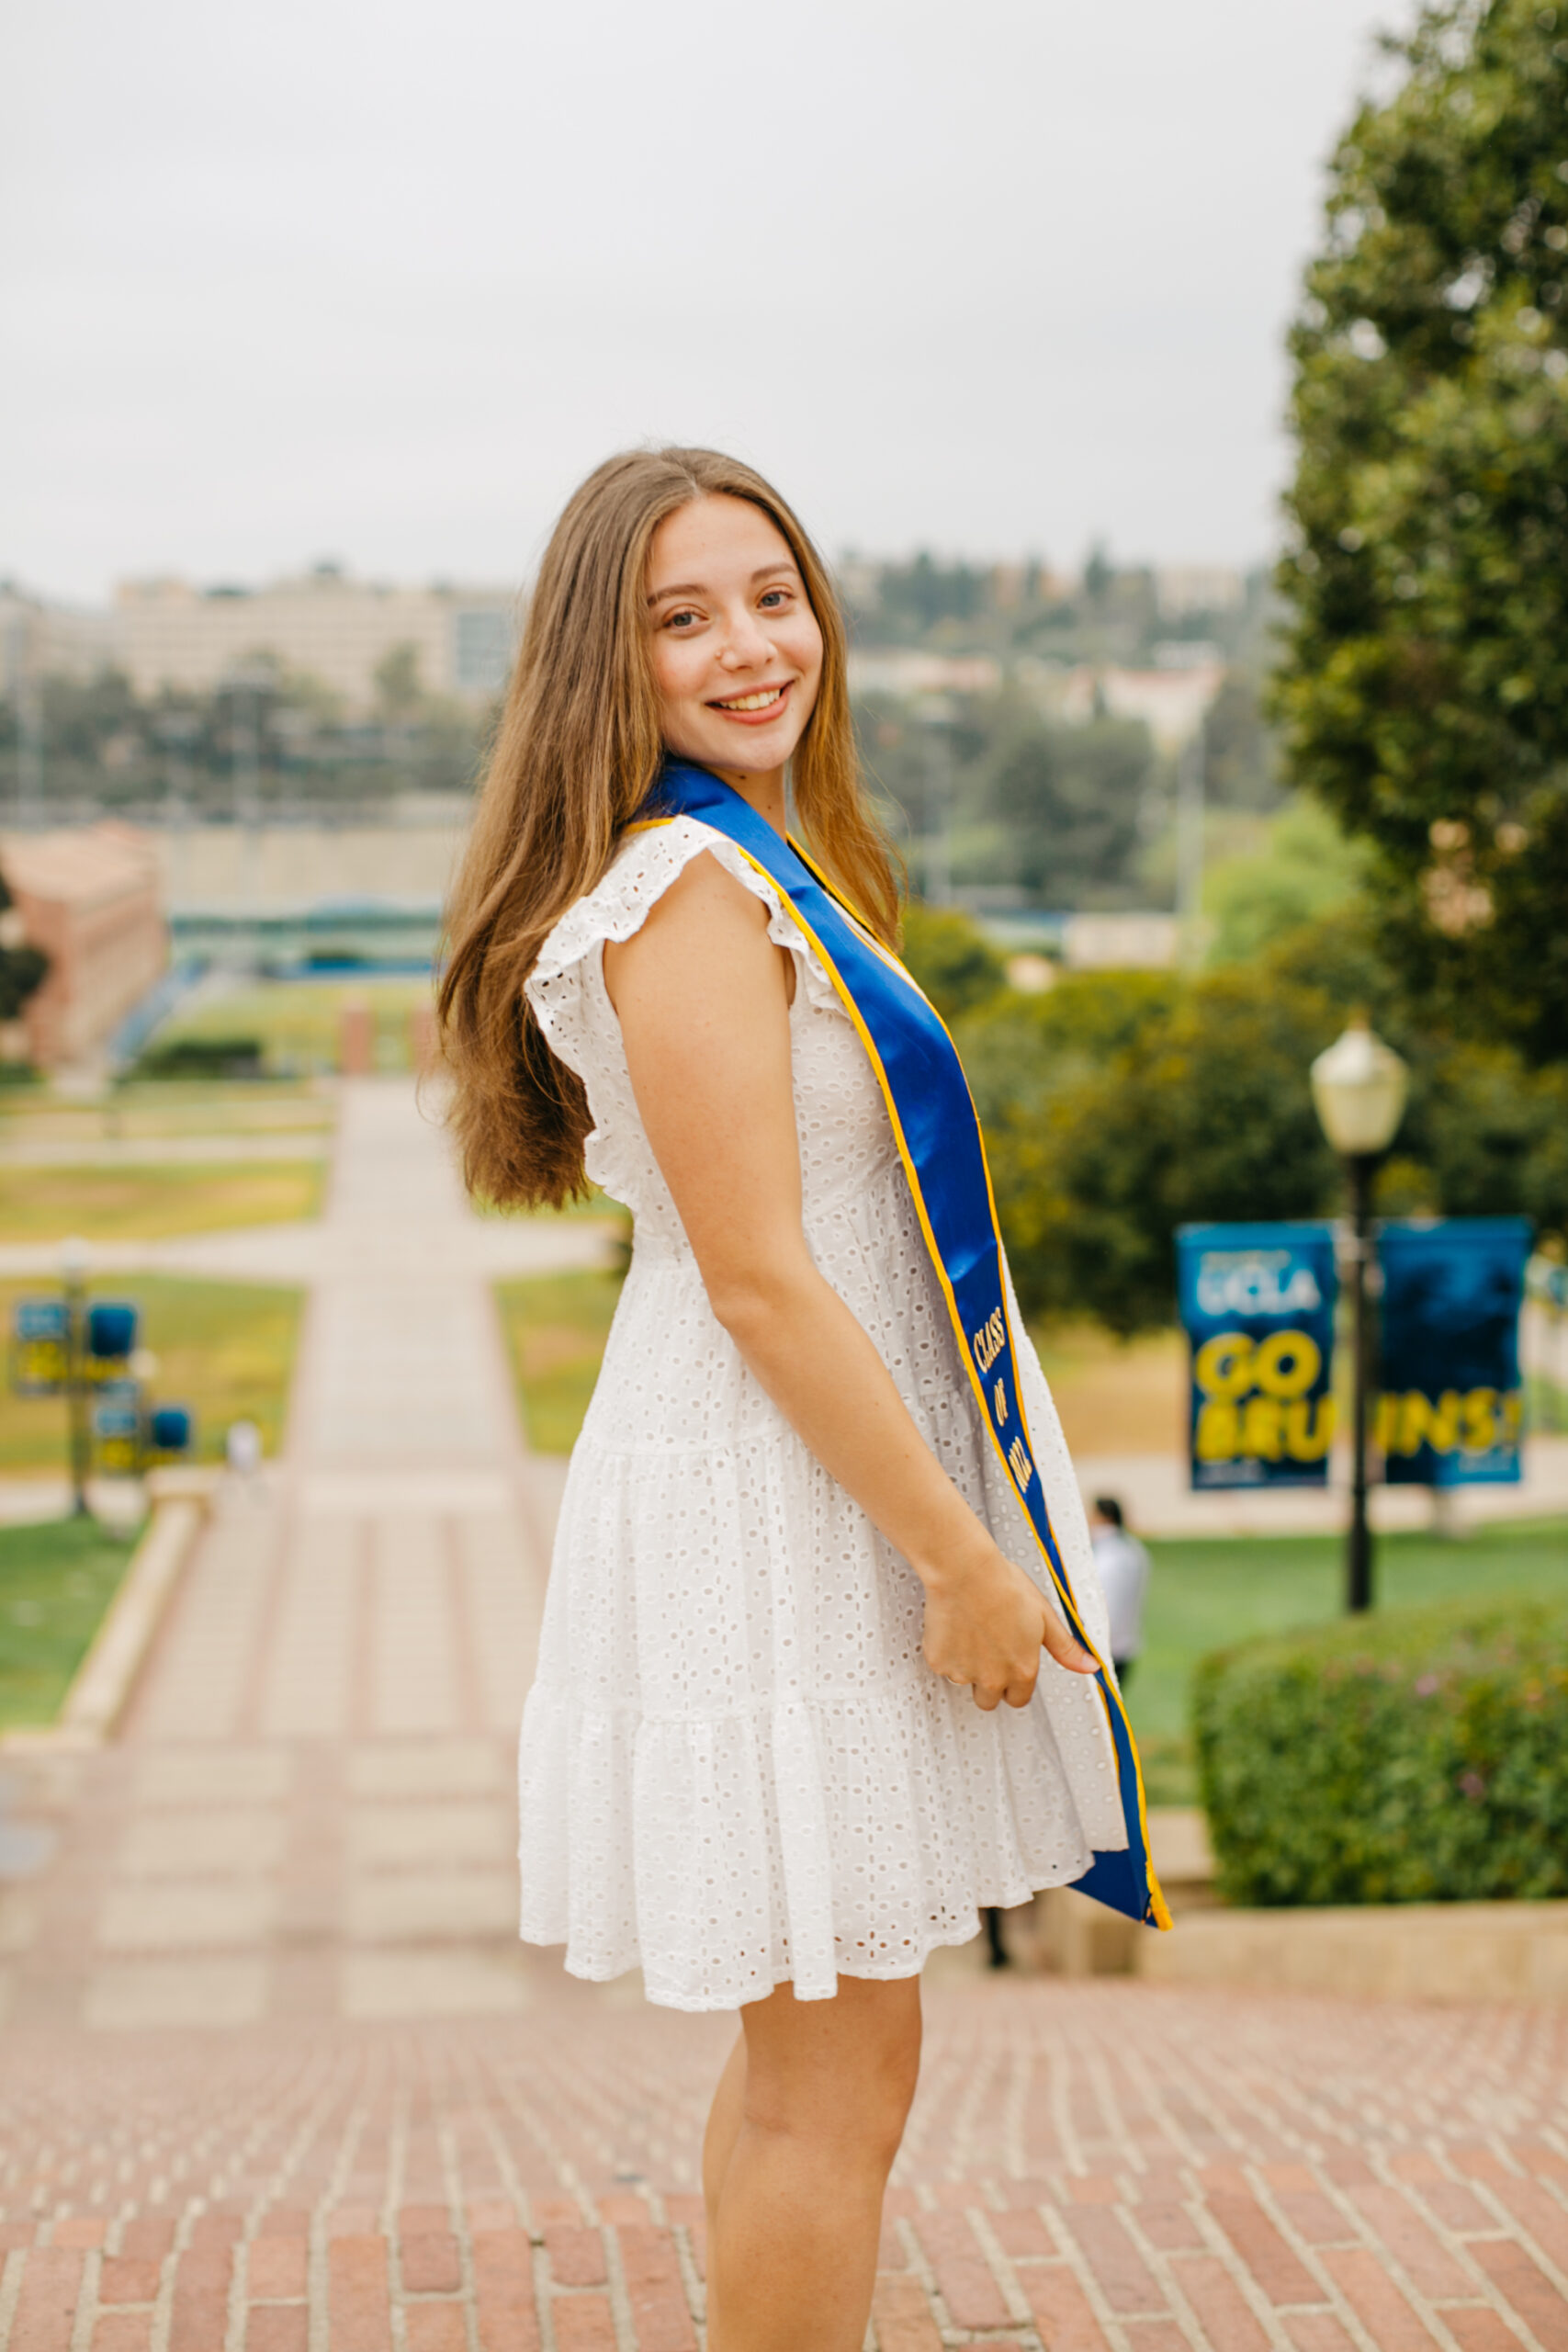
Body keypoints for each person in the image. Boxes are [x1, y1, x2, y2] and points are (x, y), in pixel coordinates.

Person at [439, 447, 1158, 2352]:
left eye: (772, 592)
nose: (750, 644)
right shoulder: (684, 885)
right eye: (683, 617)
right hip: (785, 1491)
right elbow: (759, 1270)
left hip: (802, 1467)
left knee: (808, 2063)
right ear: (611, 664)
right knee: (836, 2077)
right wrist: (957, 1554)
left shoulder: (755, 858)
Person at [1089, 1496, 1151, 1686]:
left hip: (1104, 1648)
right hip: (1127, 1644)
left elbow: (1107, 1603)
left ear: (1102, 1517)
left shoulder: (1106, 1555)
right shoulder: (1134, 1549)